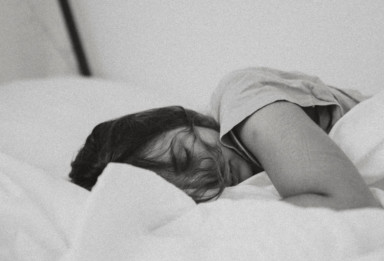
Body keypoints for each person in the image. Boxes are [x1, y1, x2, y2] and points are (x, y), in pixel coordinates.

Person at [69, 67, 381, 209]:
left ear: (186, 118)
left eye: (183, 157)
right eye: (185, 193)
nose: (205, 178)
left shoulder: (242, 96)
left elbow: (352, 206)